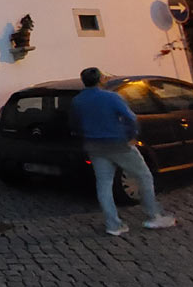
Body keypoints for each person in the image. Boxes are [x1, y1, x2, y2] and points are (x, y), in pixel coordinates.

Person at [69, 67, 176, 236]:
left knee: (104, 184)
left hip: (94, 146)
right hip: (118, 144)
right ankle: (153, 215)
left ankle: (113, 224)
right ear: (100, 79)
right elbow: (130, 118)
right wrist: (130, 135)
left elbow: (75, 124)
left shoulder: (78, 101)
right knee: (144, 175)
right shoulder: (111, 97)